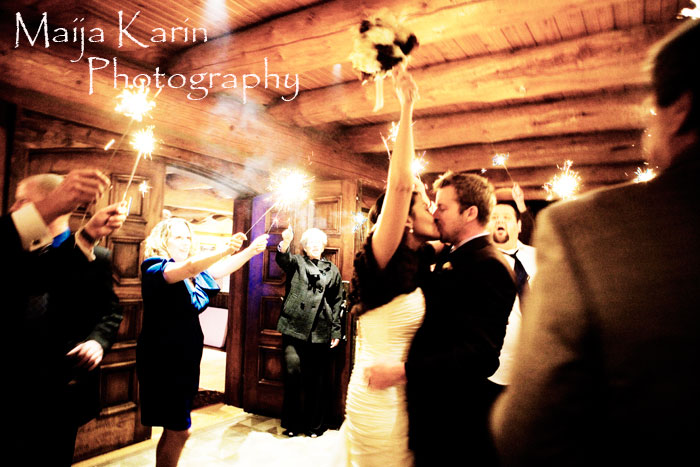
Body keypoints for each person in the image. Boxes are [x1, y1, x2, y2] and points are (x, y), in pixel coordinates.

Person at [490, 20, 700, 466]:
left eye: (653, 106)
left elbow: (528, 431)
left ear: (681, 108)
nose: (648, 119)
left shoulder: (585, 230)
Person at [343, 68, 440, 466]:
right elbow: (400, 185)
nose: (432, 208)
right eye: (425, 203)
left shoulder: (420, 258)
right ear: (403, 218)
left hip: (406, 394)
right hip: (377, 397)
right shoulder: (380, 255)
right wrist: (407, 106)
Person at [3, 168, 125, 465]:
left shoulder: (96, 256)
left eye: (22, 201)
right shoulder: (17, 252)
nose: (13, 209)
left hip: (63, 386)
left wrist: (96, 342)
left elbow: (109, 310)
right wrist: (86, 235)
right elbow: (39, 276)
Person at [137, 218, 268, 467]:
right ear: (162, 240)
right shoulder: (154, 267)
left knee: (175, 428)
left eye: (188, 237)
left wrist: (250, 251)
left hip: (186, 356)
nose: (185, 242)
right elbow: (188, 268)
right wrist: (224, 249)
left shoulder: (191, 274)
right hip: (163, 358)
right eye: (178, 237)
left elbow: (218, 270)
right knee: (180, 429)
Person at [276, 226, 343, 438]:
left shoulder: (332, 270)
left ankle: (315, 426)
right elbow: (283, 259)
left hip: (320, 329)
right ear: (304, 247)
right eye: (309, 242)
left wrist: (336, 331)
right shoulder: (297, 262)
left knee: (316, 380)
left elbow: (337, 302)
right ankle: (292, 424)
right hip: (293, 328)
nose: (314, 245)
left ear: (323, 246)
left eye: (318, 242)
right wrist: (286, 242)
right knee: (293, 373)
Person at [487, 202, 536, 388]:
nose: (500, 220)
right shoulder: (480, 262)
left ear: (519, 225)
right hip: (495, 371)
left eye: (506, 217)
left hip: (537, 364)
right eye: (494, 217)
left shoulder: (538, 256)